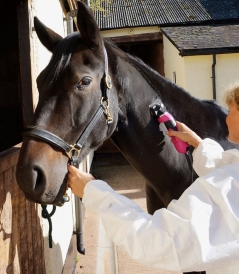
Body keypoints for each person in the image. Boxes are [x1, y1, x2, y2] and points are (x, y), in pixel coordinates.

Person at [68, 83, 239, 274]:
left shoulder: (232, 184)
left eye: (231, 111)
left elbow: (162, 242)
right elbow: (225, 167)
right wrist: (197, 144)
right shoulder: (233, 172)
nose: (226, 117)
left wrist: (94, 192)